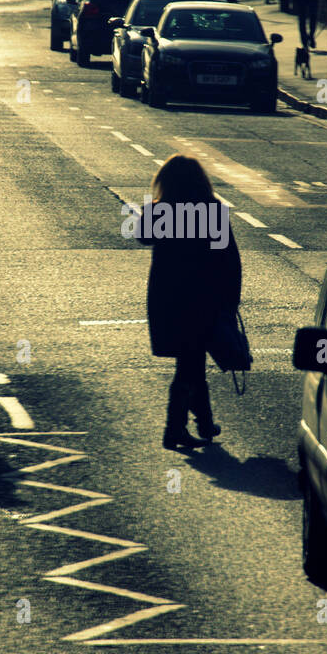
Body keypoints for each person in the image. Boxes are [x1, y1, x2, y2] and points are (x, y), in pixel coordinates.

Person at [134, 155, 242, 450]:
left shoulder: (160, 211)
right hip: (203, 300)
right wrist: (231, 303)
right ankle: (174, 429)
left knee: (191, 361)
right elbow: (229, 260)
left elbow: (142, 237)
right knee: (191, 363)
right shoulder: (211, 211)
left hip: (167, 300)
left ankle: (203, 424)